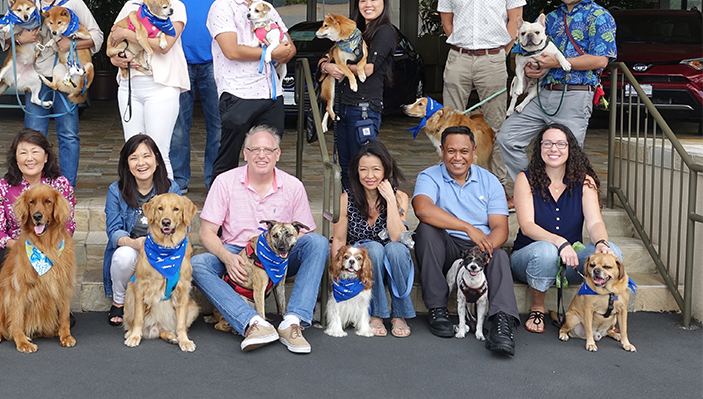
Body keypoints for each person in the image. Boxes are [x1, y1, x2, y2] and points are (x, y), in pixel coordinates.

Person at [191, 125, 328, 353]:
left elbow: (305, 233)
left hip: (279, 252)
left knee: (318, 243)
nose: (261, 155)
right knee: (197, 264)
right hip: (237, 252)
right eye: (255, 150)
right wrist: (226, 257)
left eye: (268, 150)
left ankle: (292, 321)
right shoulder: (225, 182)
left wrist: (280, 254)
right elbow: (206, 232)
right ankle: (252, 322)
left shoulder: (293, 186)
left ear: (278, 154)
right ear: (245, 153)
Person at [497, 0, 617, 182]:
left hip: (575, 93)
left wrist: (553, 63)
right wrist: (532, 69)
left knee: (567, 153)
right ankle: (534, 188)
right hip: (541, 93)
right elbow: (521, 51)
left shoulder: (600, 17)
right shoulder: (550, 18)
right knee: (508, 137)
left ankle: (564, 202)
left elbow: (601, 59)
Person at [412, 126, 518, 356]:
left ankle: (502, 324)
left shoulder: (489, 181)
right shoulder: (429, 176)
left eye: (464, 151)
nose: (457, 157)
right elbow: (422, 209)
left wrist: (484, 247)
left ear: (473, 151)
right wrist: (467, 227)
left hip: (479, 248)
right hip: (447, 243)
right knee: (426, 230)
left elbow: (501, 227)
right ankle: (438, 309)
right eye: (451, 150)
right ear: (441, 151)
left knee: (499, 255)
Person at [438, 0, 524, 186]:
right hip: (459, 58)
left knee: (497, 124)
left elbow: (516, 18)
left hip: (492, 58)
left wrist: (504, 51)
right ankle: (450, 182)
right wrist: (463, 45)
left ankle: (498, 183)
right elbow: (447, 20)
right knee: (449, 123)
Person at [510, 123, 622, 334]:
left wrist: (601, 243)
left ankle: (604, 312)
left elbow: (595, 222)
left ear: (570, 148)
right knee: (546, 251)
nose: (554, 149)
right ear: (539, 148)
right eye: (548, 143)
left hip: (570, 261)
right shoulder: (525, 179)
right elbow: (526, 226)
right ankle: (537, 308)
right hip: (530, 260)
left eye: (561, 144)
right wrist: (560, 242)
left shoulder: (584, 182)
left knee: (614, 253)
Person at [16, 0, 104, 187]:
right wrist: (17, 39)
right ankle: (33, 188)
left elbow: (97, 36)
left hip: (67, 78)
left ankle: (67, 188)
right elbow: (6, 32)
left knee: (68, 135)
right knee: (33, 137)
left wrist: (72, 42)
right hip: (36, 78)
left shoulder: (73, 1)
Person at [207, 0, 295, 180]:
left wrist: (279, 52)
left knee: (267, 156)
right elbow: (232, 50)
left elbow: (289, 48)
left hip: (270, 93)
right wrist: (270, 52)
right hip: (238, 93)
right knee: (229, 157)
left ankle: (262, 208)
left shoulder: (266, 7)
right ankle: (220, 211)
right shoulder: (221, 6)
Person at [108, 0, 189, 178]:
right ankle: (137, 207)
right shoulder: (130, 6)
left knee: (158, 152)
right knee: (133, 154)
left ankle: (167, 210)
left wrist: (127, 33)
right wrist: (116, 59)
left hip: (161, 87)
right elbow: (114, 39)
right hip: (129, 87)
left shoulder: (175, 6)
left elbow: (165, 45)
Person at [318, 0, 398, 191]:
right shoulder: (352, 31)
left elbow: (368, 68)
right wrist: (327, 66)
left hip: (363, 109)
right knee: (345, 168)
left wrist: (340, 67)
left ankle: (370, 218)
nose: (367, 4)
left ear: (383, 3)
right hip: (343, 107)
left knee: (366, 168)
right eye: (363, 0)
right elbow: (325, 57)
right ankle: (348, 216)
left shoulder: (385, 32)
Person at [329, 141, 414, 337]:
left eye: (376, 169)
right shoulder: (346, 199)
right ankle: (376, 314)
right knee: (373, 248)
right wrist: (335, 274)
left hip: (393, 258)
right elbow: (340, 240)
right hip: (362, 262)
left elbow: (396, 236)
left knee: (396, 248)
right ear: (356, 172)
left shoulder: (399, 197)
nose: (369, 176)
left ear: (385, 170)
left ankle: (399, 315)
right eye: (363, 170)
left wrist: (391, 200)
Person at [169, 0, 228, 193]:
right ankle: (179, 181)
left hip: (217, 63)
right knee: (178, 127)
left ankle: (214, 182)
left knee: (218, 127)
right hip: (179, 61)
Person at [103, 134, 182, 325]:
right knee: (123, 256)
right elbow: (113, 231)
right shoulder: (116, 190)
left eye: (146, 156)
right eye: (134, 158)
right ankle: (119, 301)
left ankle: (160, 300)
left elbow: (180, 228)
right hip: (133, 248)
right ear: (127, 164)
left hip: (164, 249)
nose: (141, 163)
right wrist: (134, 243)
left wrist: (155, 246)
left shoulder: (172, 189)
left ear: (156, 159)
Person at [0, 128, 76, 281]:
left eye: (35, 152)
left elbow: (68, 224)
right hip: (15, 247)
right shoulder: (2, 187)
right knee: (3, 264)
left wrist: (46, 247)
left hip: (52, 247)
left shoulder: (60, 184)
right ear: (15, 158)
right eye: (23, 153)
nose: (29, 158)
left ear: (46, 157)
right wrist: (20, 246)